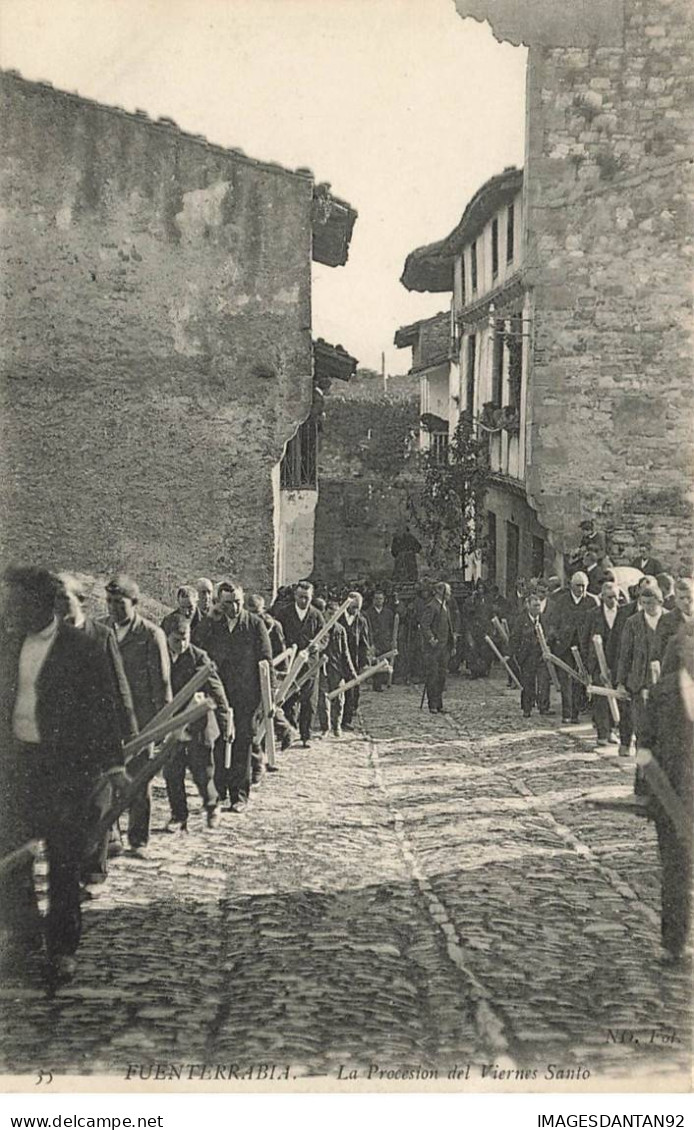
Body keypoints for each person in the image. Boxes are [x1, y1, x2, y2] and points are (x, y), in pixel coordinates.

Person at [0, 567, 126, 983]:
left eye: (15, 602)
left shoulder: (81, 647)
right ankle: (24, 932)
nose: (8, 609)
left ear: (41, 603)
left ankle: (62, 948)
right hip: (16, 766)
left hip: (64, 769)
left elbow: (104, 709)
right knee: (11, 853)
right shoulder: (5, 644)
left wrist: (113, 766)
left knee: (63, 858)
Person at [55, 573, 138, 887]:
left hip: (95, 738)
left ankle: (93, 871)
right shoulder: (48, 638)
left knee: (96, 808)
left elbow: (119, 691)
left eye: (65, 599)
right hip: (59, 739)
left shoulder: (100, 636)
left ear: (81, 602)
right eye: (54, 600)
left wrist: (129, 733)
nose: (59, 607)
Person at [104, 574, 172, 856]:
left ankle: (138, 839)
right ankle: (111, 837)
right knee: (106, 781)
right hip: (108, 721)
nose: (113, 608)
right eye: (109, 602)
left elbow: (162, 683)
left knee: (139, 781)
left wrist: (162, 725)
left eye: (119, 603)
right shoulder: (101, 629)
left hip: (142, 721)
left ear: (135, 603)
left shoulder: (150, 635)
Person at [638, 621, 693, 963]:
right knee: (675, 870)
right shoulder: (662, 693)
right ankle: (673, 942)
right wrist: (645, 793)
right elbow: (644, 748)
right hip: (672, 796)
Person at [193, 581, 273, 810]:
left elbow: (266, 661)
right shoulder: (212, 625)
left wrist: (268, 698)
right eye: (228, 603)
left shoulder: (254, 624)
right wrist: (211, 617)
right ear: (220, 603)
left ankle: (239, 796)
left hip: (246, 697)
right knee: (217, 743)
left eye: (238, 602)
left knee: (242, 744)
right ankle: (218, 793)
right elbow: (196, 647)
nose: (235, 608)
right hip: (218, 696)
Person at [163, 614, 232, 832]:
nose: (182, 644)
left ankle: (212, 806)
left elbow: (218, 693)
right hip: (171, 725)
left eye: (185, 639)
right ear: (166, 637)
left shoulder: (199, 658)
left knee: (202, 773)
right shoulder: (159, 656)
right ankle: (178, 816)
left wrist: (226, 722)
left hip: (198, 725)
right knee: (172, 773)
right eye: (176, 639)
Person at [617, 581, 668, 791]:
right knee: (641, 732)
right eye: (643, 603)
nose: (647, 607)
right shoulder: (633, 622)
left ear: (660, 602)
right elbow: (625, 654)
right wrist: (621, 682)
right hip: (639, 684)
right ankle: (641, 781)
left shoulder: (669, 620)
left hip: (664, 687)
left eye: (651, 603)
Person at [274, 581, 326, 748]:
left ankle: (306, 735)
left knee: (309, 700)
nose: (304, 601)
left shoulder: (316, 615)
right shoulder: (284, 613)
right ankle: (289, 732)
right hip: (290, 662)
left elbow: (325, 636)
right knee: (288, 699)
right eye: (301, 597)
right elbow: (278, 635)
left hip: (310, 664)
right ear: (295, 596)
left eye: (307, 598)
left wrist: (319, 645)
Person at [545, 571, 598, 724]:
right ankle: (567, 713)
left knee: (580, 681)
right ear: (571, 586)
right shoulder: (562, 601)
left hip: (583, 647)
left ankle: (576, 713)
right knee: (566, 679)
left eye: (583, 586)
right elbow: (553, 623)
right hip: (565, 646)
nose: (580, 589)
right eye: (577, 586)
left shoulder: (592, 602)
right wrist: (557, 637)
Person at [583, 581, 631, 750]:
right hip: (598, 662)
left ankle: (611, 731)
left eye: (616, 597)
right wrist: (590, 664)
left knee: (617, 698)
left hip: (618, 662)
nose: (613, 601)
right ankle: (602, 734)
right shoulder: (593, 614)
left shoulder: (625, 614)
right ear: (602, 597)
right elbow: (585, 639)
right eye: (609, 597)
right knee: (601, 698)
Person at [508, 590, 552, 719]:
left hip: (541, 655)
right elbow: (514, 638)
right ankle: (527, 708)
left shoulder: (544, 619)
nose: (537, 609)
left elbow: (550, 634)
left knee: (544, 682)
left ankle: (544, 707)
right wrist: (511, 654)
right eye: (535, 606)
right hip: (527, 656)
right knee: (528, 683)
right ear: (528, 606)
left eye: (539, 606)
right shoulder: (521, 620)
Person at [318, 599, 358, 737]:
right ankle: (325, 728)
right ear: (325, 613)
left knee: (339, 699)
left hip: (337, 669)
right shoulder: (320, 629)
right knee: (323, 699)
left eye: (335, 614)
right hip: (322, 668)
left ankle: (337, 726)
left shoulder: (340, 630)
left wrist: (352, 672)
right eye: (330, 614)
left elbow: (345, 652)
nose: (332, 617)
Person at [420, 582, 456, 713]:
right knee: (433, 676)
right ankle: (433, 705)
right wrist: (431, 638)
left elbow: (449, 627)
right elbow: (424, 625)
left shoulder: (445, 606)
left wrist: (452, 645)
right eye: (448, 591)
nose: (450, 594)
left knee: (442, 676)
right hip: (434, 649)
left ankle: (439, 703)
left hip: (444, 648)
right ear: (440, 591)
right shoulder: (432, 606)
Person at [340, 591, 372, 730]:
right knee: (339, 689)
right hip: (339, 658)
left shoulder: (361, 620)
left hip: (355, 660)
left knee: (352, 690)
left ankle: (347, 719)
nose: (355, 610)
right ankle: (336, 719)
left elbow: (364, 643)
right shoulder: (338, 617)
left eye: (358, 607)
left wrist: (365, 663)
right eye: (353, 607)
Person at [364, 589, 395, 691]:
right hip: (374, 640)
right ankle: (376, 684)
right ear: (373, 600)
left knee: (385, 661)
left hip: (385, 640)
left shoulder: (388, 613)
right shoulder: (368, 613)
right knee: (376, 661)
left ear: (383, 600)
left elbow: (391, 627)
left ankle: (385, 681)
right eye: (376, 599)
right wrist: (370, 642)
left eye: (380, 599)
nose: (378, 601)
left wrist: (391, 639)